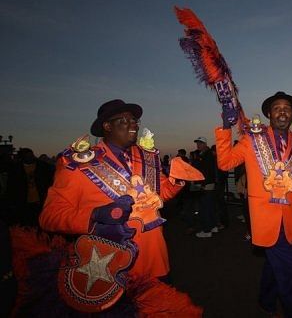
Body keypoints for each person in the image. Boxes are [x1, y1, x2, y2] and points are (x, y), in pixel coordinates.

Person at [12, 99, 203, 316]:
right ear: (107, 126)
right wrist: (94, 215)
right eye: (125, 120)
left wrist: (176, 181)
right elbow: (50, 216)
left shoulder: (146, 158)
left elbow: (158, 196)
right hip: (108, 265)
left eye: (135, 120)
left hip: (155, 258)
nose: (134, 125)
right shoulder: (78, 164)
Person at [215, 91, 292, 317]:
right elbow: (225, 163)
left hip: (290, 221)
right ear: (269, 115)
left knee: (275, 265)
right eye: (277, 108)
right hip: (264, 219)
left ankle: (266, 300)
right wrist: (225, 127)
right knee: (290, 272)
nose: (282, 111)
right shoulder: (252, 139)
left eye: (287, 108)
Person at [6, 147, 55, 227]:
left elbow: (49, 182)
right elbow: (11, 187)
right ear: (22, 157)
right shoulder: (15, 169)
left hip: (41, 200)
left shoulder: (43, 167)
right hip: (23, 202)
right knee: (27, 225)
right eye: (27, 156)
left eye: (31, 155)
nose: (31, 158)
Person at [193, 136, 218, 238]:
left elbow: (206, 171)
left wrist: (202, 184)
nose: (198, 145)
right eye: (197, 143)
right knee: (210, 206)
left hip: (205, 184)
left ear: (204, 144)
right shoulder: (206, 154)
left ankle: (207, 230)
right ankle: (213, 226)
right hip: (209, 184)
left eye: (200, 143)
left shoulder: (206, 155)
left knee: (204, 208)